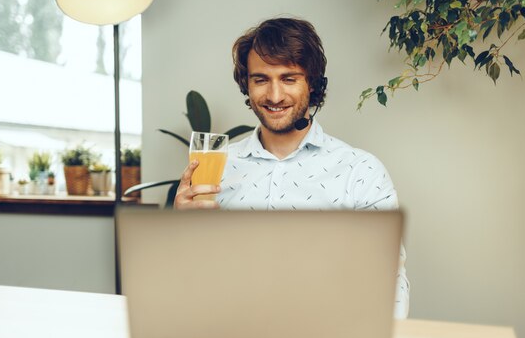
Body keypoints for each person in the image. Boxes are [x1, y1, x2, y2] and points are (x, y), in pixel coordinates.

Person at [174, 17, 409, 318]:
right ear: (246, 85)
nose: (274, 96)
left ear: (313, 83)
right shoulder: (216, 167)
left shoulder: (360, 171)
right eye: (261, 79)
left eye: (289, 78)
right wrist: (180, 233)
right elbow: (192, 276)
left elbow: (389, 280)